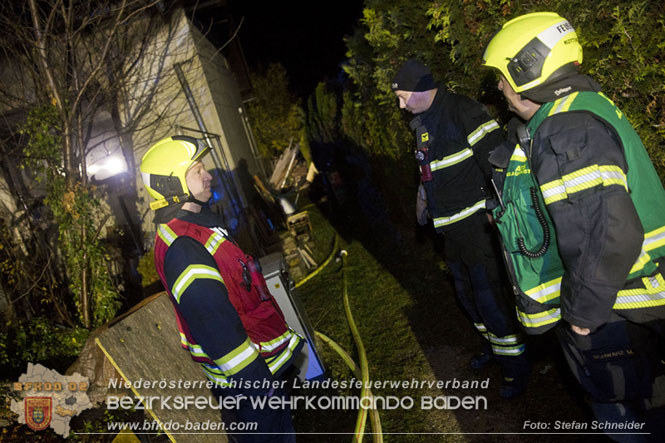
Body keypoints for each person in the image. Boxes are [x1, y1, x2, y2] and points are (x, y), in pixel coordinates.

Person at [482, 12, 665, 440]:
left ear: (525, 69)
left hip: (617, 309)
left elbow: (610, 228)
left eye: (501, 77)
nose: (499, 89)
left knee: (634, 425)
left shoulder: (567, 127)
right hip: (622, 301)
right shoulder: (576, 111)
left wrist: (582, 315)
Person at [140, 135, 304, 442]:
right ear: (171, 185)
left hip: (258, 377)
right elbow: (216, 327)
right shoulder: (184, 248)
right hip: (251, 387)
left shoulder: (194, 228)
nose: (208, 175)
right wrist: (258, 385)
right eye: (197, 171)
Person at [391, 59, 530, 398]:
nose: (401, 105)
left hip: (477, 230)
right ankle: (494, 350)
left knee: (490, 299)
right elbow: (431, 171)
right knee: (468, 298)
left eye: (404, 96)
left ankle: (516, 369)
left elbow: (499, 163)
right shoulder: (424, 124)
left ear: (424, 88)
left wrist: (496, 210)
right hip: (449, 232)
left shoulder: (462, 111)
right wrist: (423, 201)